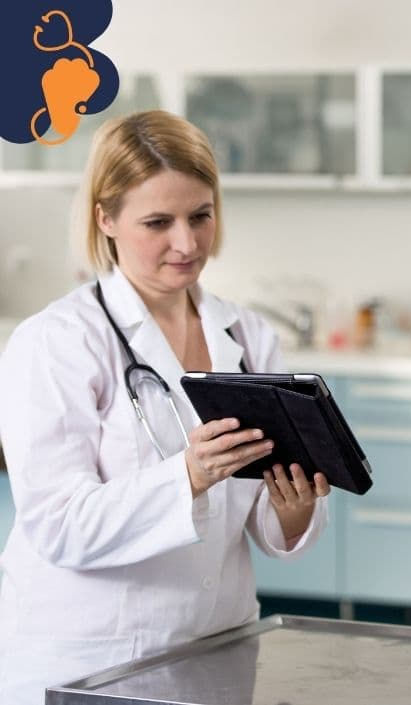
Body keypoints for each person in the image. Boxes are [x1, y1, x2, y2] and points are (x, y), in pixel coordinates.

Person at [0, 110, 331, 704]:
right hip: (90, 661)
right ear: (105, 218)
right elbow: (58, 525)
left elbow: (258, 520)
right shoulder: (56, 341)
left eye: (200, 215)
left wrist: (293, 507)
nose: (187, 243)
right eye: (158, 222)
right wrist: (189, 474)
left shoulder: (246, 336)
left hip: (216, 649)